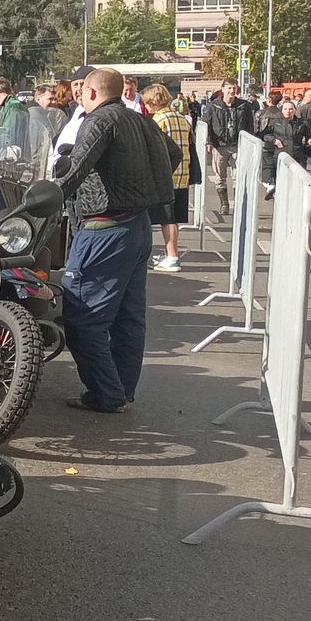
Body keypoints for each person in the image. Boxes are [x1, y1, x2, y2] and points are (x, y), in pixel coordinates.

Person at [52, 68, 177, 414]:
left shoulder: (100, 120)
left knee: (83, 318)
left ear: (91, 93)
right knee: (128, 318)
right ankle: (122, 390)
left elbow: (74, 170)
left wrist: (44, 195)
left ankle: (107, 393)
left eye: (82, 92)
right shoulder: (140, 119)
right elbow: (174, 156)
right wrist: (141, 187)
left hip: (104, 229)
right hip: (137, 228)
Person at [142, 84, 197, 272]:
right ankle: (170, 254)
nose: (146, 107)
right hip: (183, 173)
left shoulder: (158, 120)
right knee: (173, 219)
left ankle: (172, 256)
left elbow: (154, 148)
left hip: (165, 174)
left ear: (152, 101)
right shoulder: (182, 118)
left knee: (166, 219)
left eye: (147, 103)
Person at [202, 80, 255, 217]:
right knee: (220, 176)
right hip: (219, 145)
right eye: (229, 88)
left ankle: (238, 204)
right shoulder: (213, 106)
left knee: (238, 176)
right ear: (223, 89)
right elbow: (206, 124)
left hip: (238, 145)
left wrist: (249, 143)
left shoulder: (244, 106)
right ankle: (224, 203)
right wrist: (209, 141)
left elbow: (250, 126)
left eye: (234, 88)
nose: (232, 91)